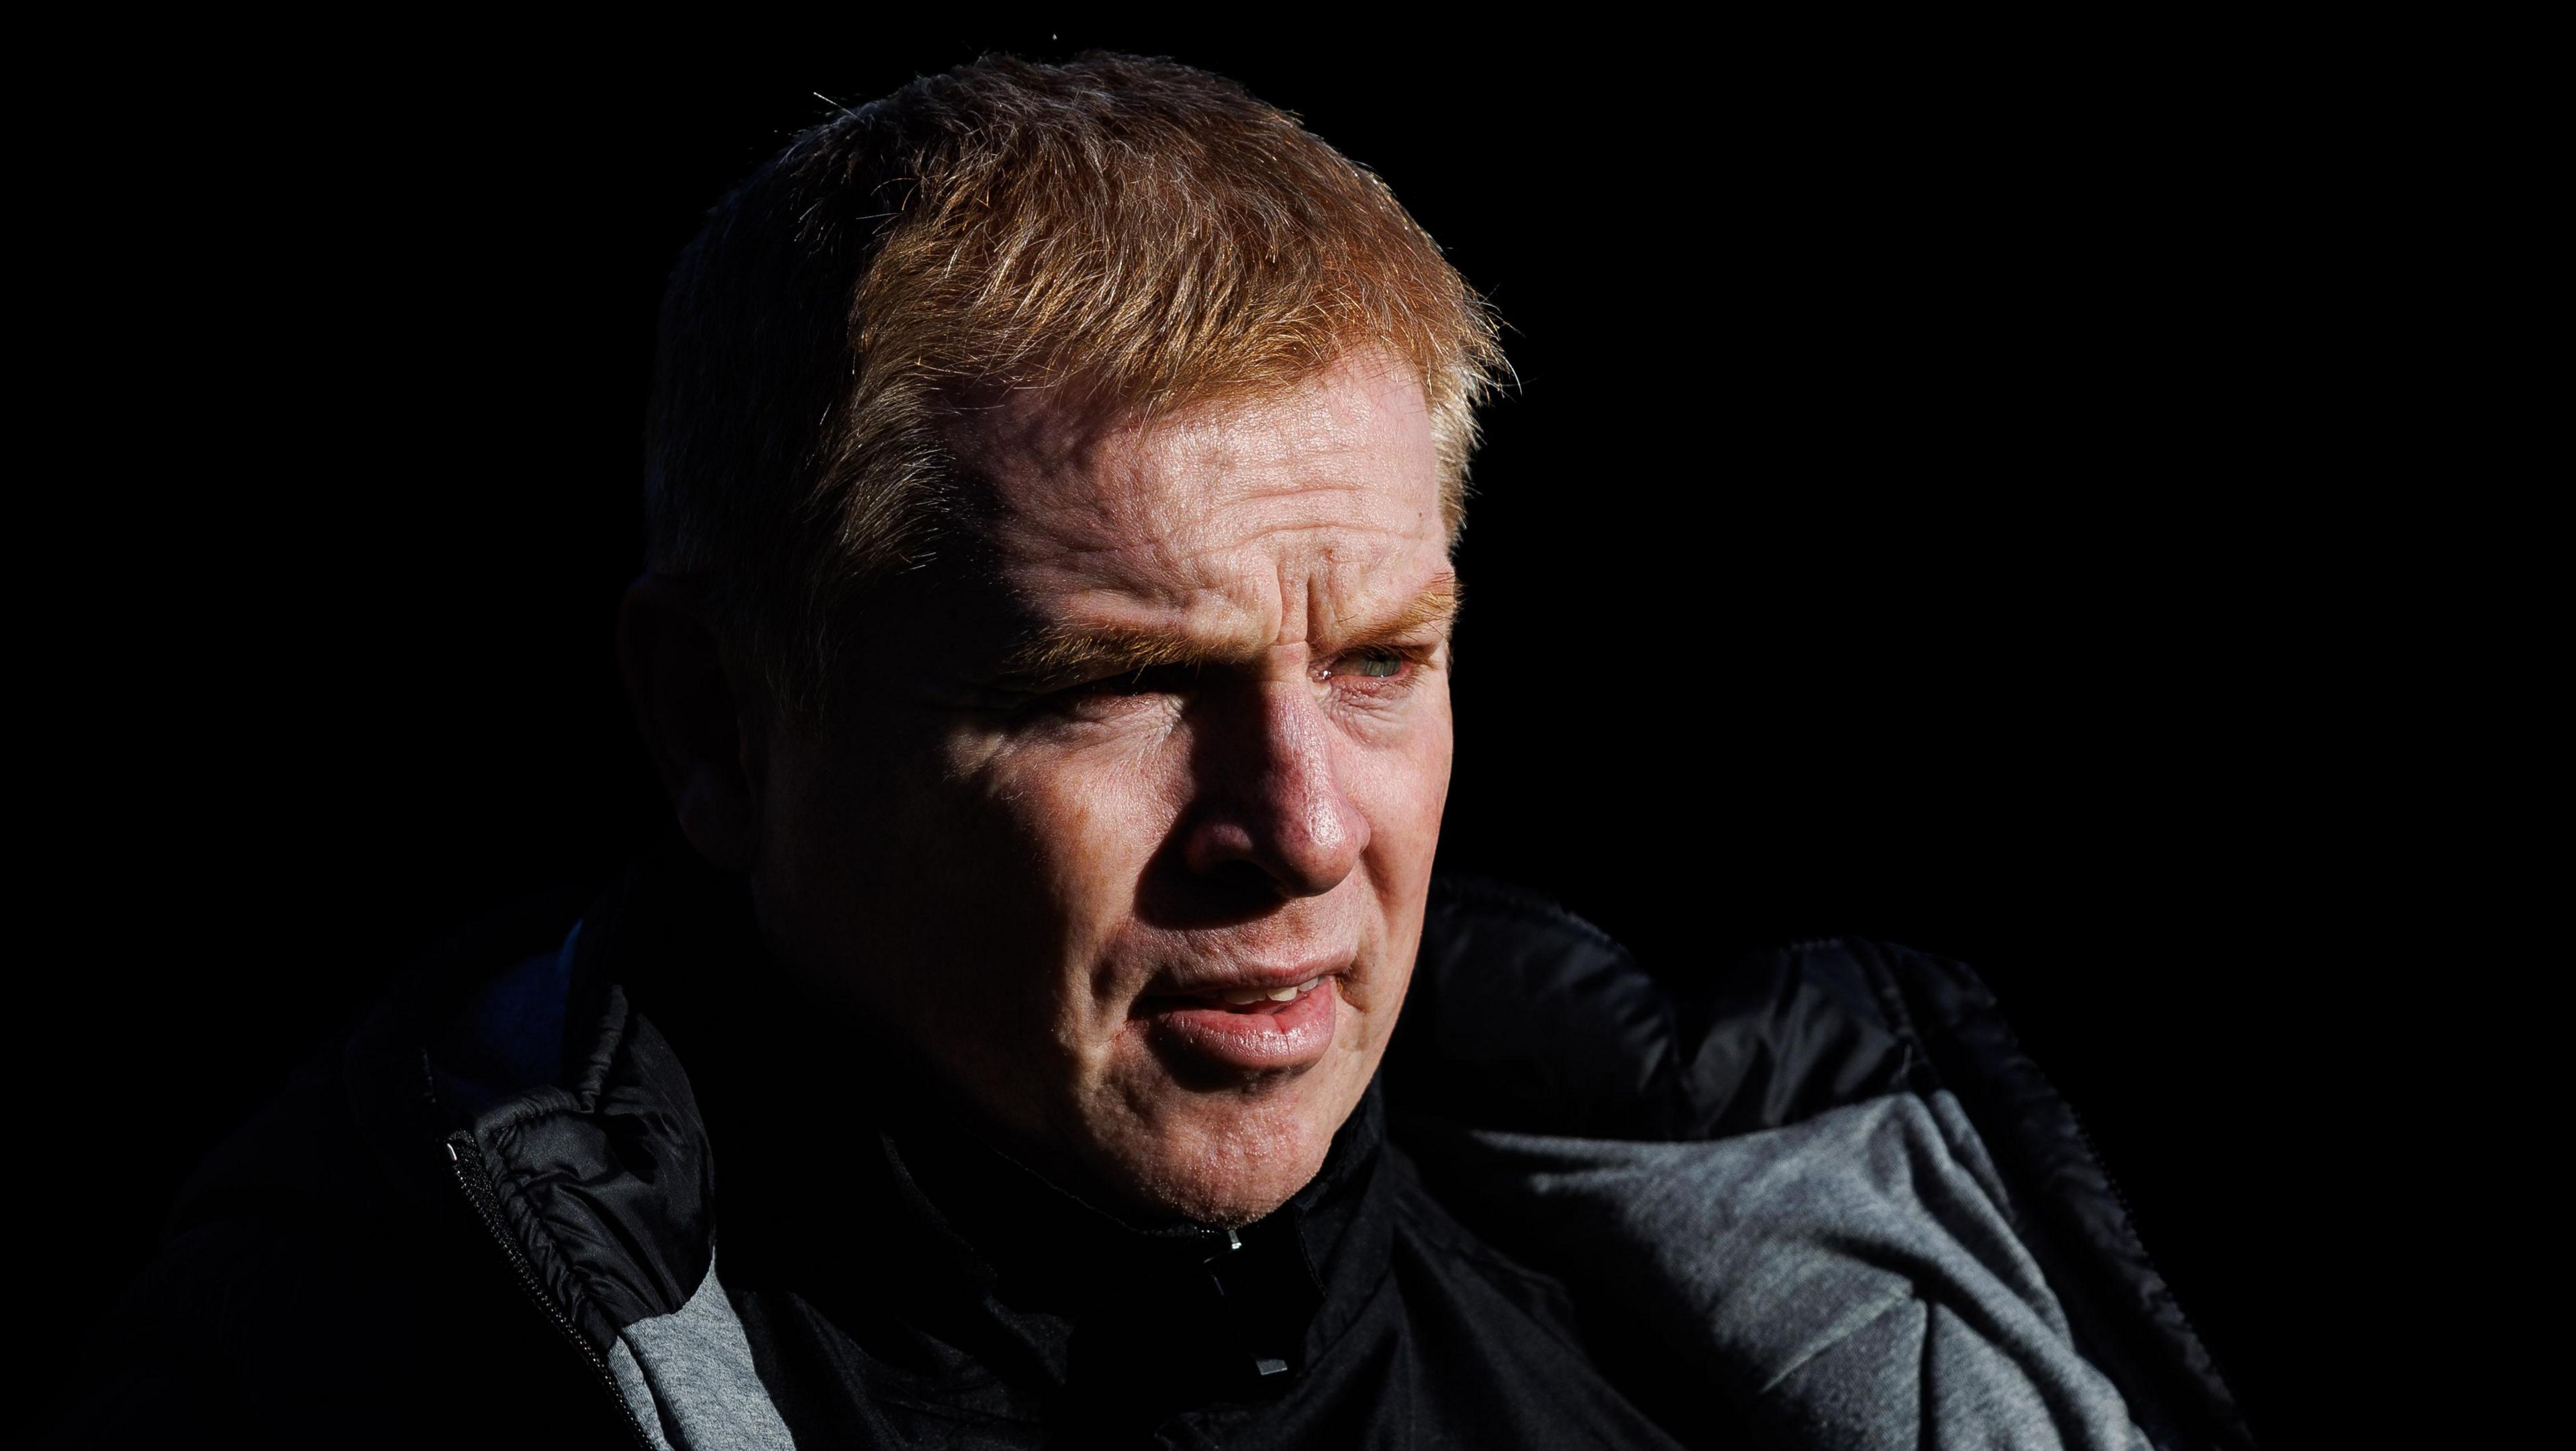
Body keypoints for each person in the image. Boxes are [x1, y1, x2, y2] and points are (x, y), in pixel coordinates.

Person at [51, 55, 2252, 1450]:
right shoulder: (352, 1373)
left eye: (1385, 659)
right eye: (1116, 685)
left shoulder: (1771, 1257)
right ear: (717, 721)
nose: (1301, 827)